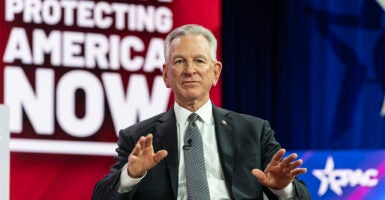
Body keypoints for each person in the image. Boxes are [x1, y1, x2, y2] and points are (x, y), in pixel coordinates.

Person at [92, 24, 311, 200]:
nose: (190, 70)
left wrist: (283, 189)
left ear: (215, 72)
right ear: (166, 75)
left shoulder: (254, 131)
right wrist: (130, 176)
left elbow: (302, 196)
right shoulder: (138, 137)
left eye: (199, 60)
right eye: (179, 61)